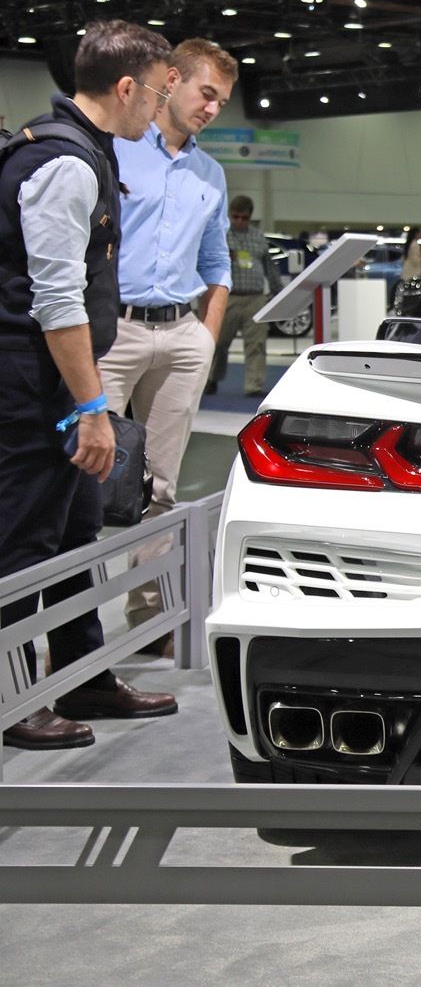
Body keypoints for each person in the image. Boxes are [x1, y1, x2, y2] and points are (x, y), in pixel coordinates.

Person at [1, 20, 178, 750]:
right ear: (127, 87)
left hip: (53, 378)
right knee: (22, 544)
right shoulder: (64, 163)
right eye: (159, 96)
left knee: (75, 534)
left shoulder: (84, 150)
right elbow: (56, 301)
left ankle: (83, 676)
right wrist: (93, 407)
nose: (160, 112)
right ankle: (14, 698)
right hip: (30, 384)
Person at [98, 36, 236, 658]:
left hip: (181, 335)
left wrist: (205, 339)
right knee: (86, 483)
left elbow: (216, 263)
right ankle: (70, 635)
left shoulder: (211, 173)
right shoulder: (116, 149)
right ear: (172, 80)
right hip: (113, 332)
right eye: (206, 93)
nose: (212, 109)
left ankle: (149, 620)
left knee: (160, 487)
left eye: (222, 101)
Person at [207, 194, 282, 396]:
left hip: (255, 299)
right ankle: (211, 378)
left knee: (256, 344)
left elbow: (270, 267)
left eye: (244, 218)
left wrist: (279, 293)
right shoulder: (220, 236)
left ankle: (254, 386)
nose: (240, 221)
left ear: (250, 217)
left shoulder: (258, 237)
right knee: (218, 343)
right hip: (227, 297)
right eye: (236, 217)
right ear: (229, 215)